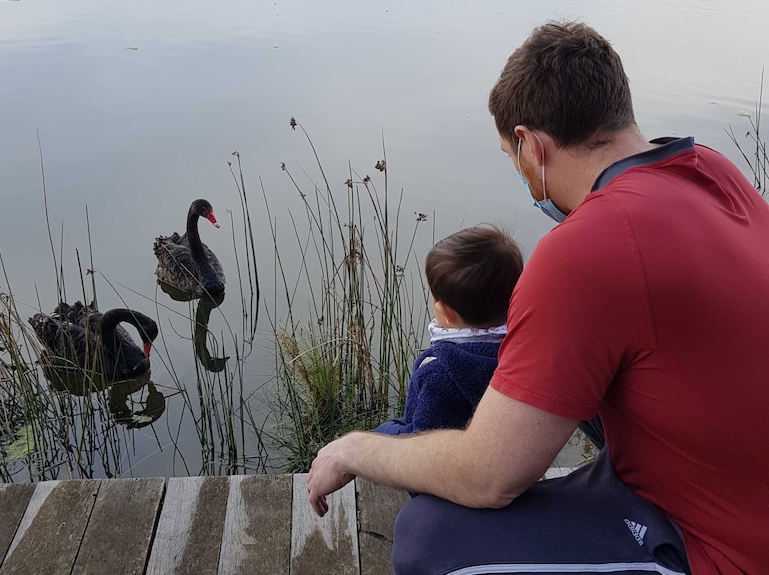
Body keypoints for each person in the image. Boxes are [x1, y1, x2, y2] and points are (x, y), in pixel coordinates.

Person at [306, 20, 769, 575]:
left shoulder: (588, 246)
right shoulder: (712, 170)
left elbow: (489, 477)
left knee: (428, 538)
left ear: (530, 144)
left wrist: (355, 448)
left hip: (721, 545)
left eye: (512, 156)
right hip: (722, 480)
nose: (520, 171)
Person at [374, 225, 522, 437]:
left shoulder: (439, 371)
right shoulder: (522, 353)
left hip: (451, 465)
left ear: (445, 312)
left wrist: (383, 431)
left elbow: (420, 442)